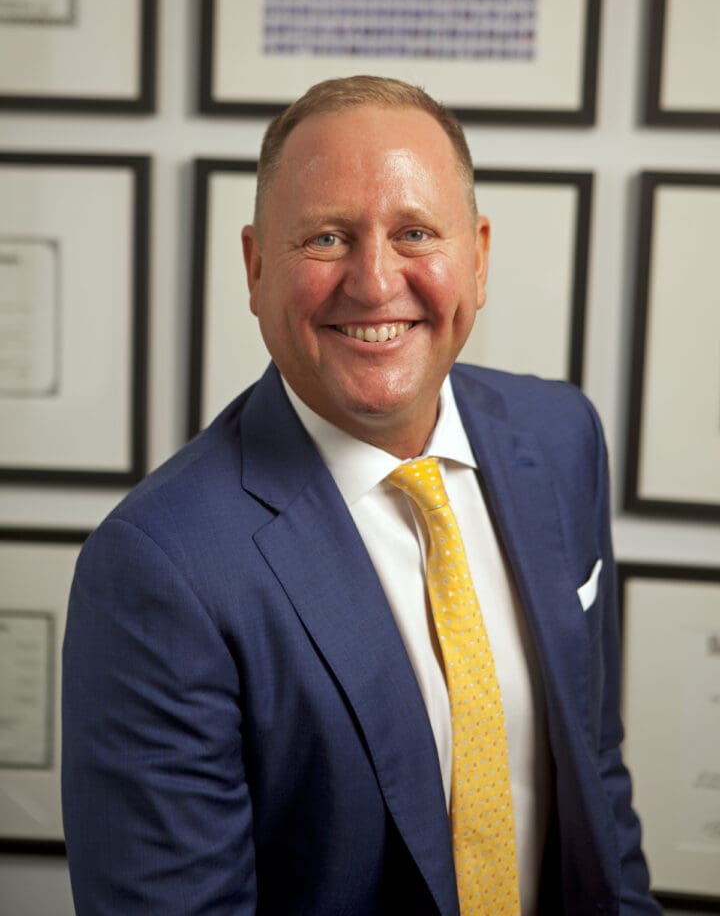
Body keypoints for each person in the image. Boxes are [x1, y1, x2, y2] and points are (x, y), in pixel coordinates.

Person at [62, 75, 661, 915]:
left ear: (478, 257)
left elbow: (595, 774)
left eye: (416, 232)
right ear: (256, 265)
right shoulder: (160, 570)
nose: (376, 282)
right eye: (327, 238)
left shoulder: (561, 437)